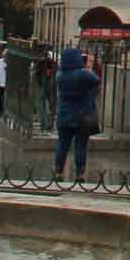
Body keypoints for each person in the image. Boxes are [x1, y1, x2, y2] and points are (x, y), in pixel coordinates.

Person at [52, 47, 102, 181]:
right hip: (81, 115)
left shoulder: (60, 75)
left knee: (62, 144)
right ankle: (80, 173)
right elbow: (97, 80)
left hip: (63, 114)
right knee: (80, 145)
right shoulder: (82, 74)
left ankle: (58, 171)